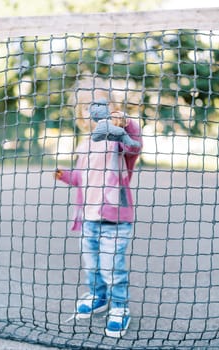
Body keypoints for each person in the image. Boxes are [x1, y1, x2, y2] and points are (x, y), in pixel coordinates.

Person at [54, 89, 142, 338]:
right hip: (88, 218)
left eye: (99, 104)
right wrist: (65, 176)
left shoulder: (118, 140)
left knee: (112, 267)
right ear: (81, 114)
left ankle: (120, 307)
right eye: (85, 107)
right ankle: (97, 296)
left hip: (114, 218)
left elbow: (135, 148)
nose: (92, 111)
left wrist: (128, 123)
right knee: (91, 263)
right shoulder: (85, 143)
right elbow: (82, 179)